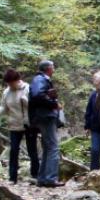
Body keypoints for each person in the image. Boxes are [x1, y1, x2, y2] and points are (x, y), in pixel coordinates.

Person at [0, 69, 38, 183]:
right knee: (13, 150)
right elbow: (3, 108)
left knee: (32, 149)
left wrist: (26, 101)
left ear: (17, 80)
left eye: (11, 82)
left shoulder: (27, 88)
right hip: (14, 124)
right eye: (7, 83)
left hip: (28, 124)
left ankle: (35, 175)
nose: (9, 85)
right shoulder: (6, 92)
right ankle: (12, 177)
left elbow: (35, 107)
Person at [29, 59, 64, 187]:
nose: (54, 69)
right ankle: (50, 178)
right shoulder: (40, 80)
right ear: (48, 68)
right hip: (46, 116)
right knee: (53, 147)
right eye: (53, 67)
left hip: (43, 116)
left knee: (47, 147)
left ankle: (43, 178)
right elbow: (38, 95)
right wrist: (53, 104)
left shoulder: (39, 80)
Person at [84, 70, 100, 171]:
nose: (94, 82)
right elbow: (89, 111)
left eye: (97, 80)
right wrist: (87, 126)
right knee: (95, 150)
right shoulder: (93, 94)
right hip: (96, 128)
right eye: (95, 80)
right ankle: (94, 173)